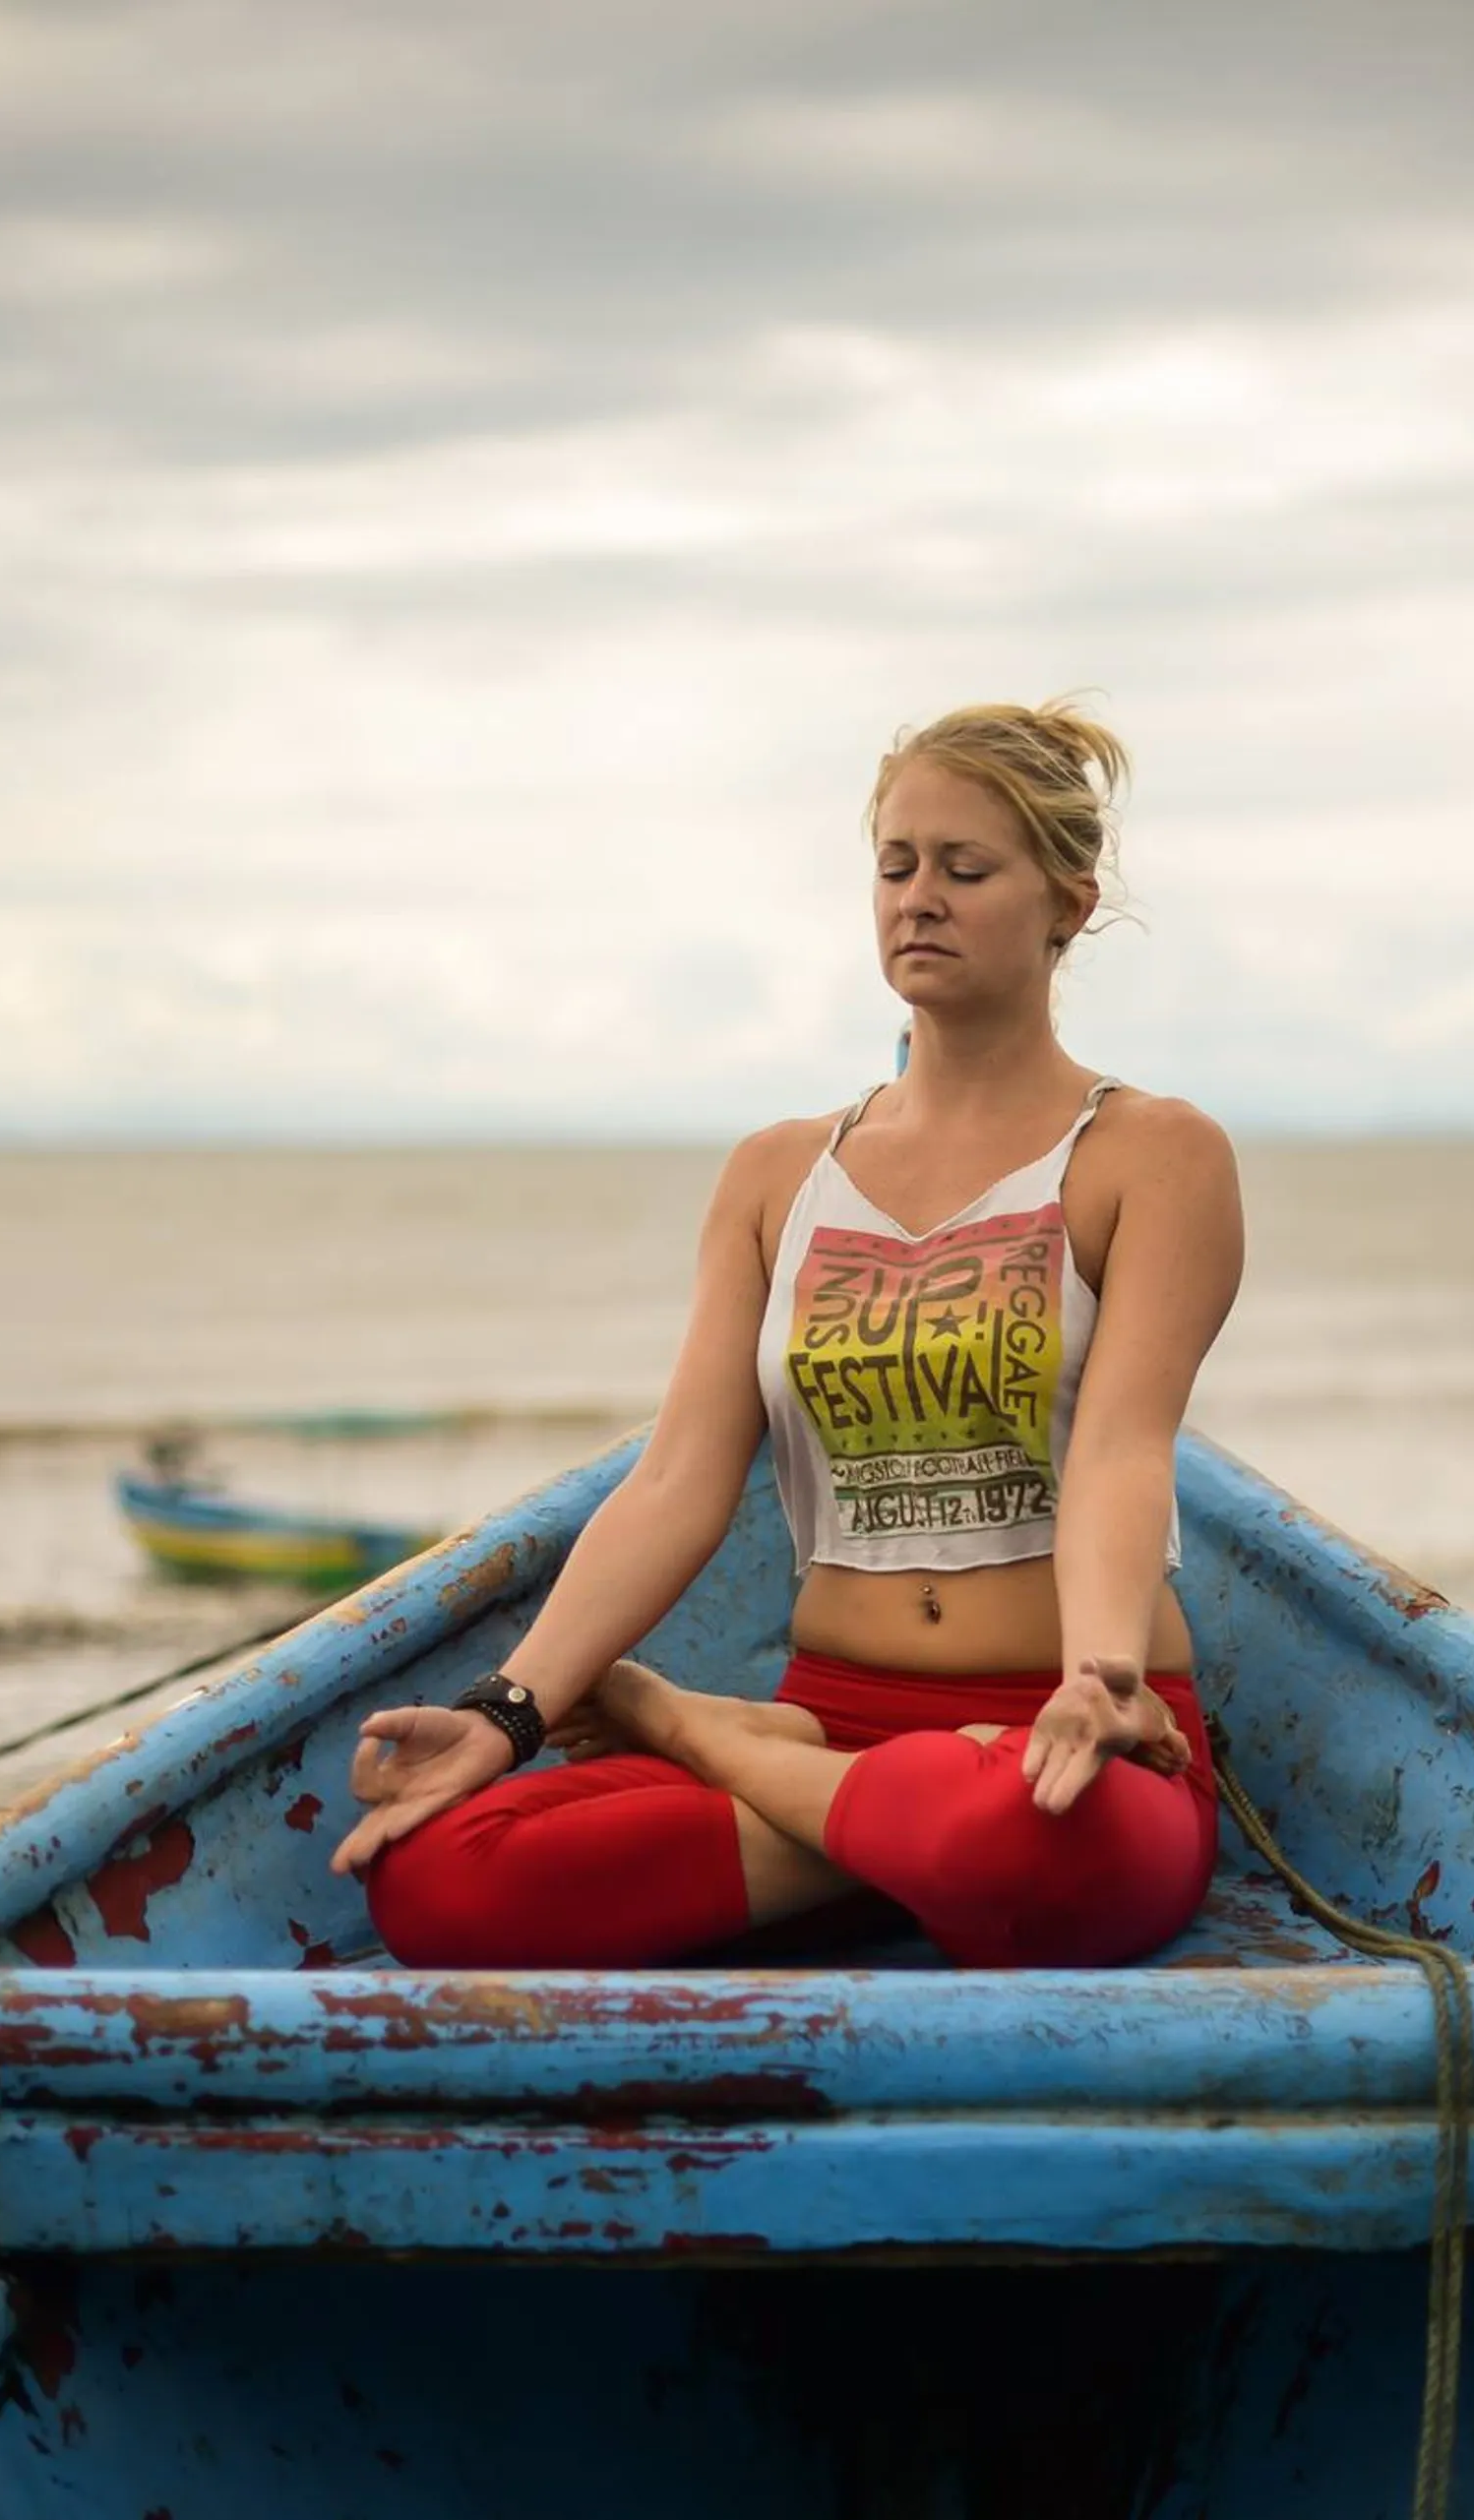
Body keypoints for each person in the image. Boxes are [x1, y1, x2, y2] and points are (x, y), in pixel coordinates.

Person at [330, 699, 1245, 1970]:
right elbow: (679, 1478)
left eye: (965, 869)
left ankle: (702, 1736)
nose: (919, 897)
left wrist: (1101, 1675)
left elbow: (1122, 1455)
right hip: (835, 1726)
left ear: (1068, 904)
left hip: (1059, 1735)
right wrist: (510, 1711)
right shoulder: (778, 1174)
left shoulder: (1151, 1153)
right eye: (896, 865)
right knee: (440, 1881)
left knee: (1034, 1842)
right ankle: (886, 1845)